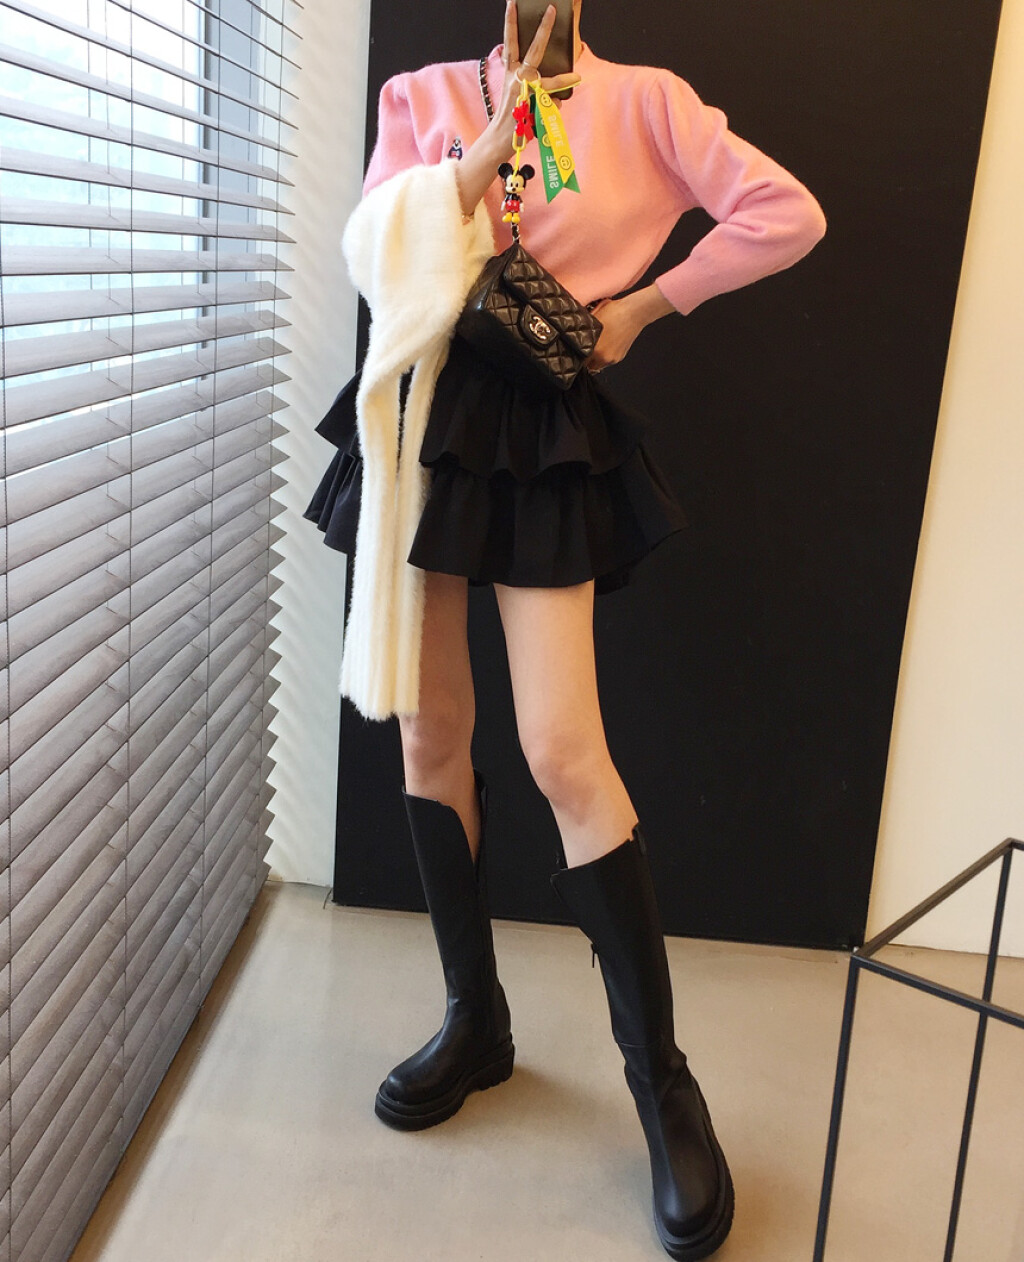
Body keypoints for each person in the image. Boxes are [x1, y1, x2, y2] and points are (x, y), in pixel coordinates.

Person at [303, 3, 826, 1258]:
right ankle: (473, 1017)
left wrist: (644, 306)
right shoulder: (424, 96)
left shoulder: (648, 102)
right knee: (428, 728)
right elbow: (372, 254)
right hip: (424, 410)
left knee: (561, 748)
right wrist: (477, 159)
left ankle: (662, 1084)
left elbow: (787, 213)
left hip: (543, 424)